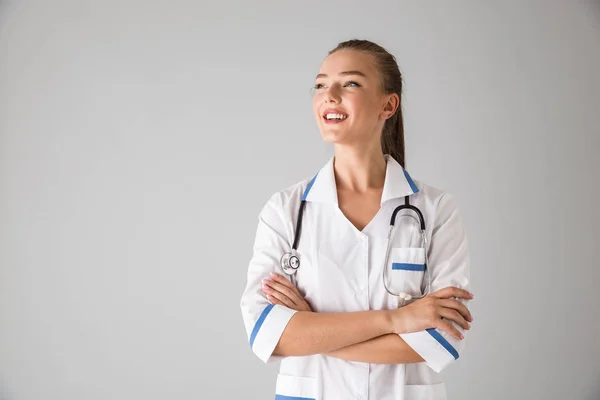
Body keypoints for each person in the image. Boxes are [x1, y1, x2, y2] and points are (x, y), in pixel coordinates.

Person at [240, 39, 473, 400]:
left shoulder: (436, 210)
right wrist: (395, 321)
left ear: (388, 104)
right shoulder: (285, 211)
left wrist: (313, 330)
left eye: (350, 83)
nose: (329, 95)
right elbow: (268, 334)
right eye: (320, 84)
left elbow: (438, 341)